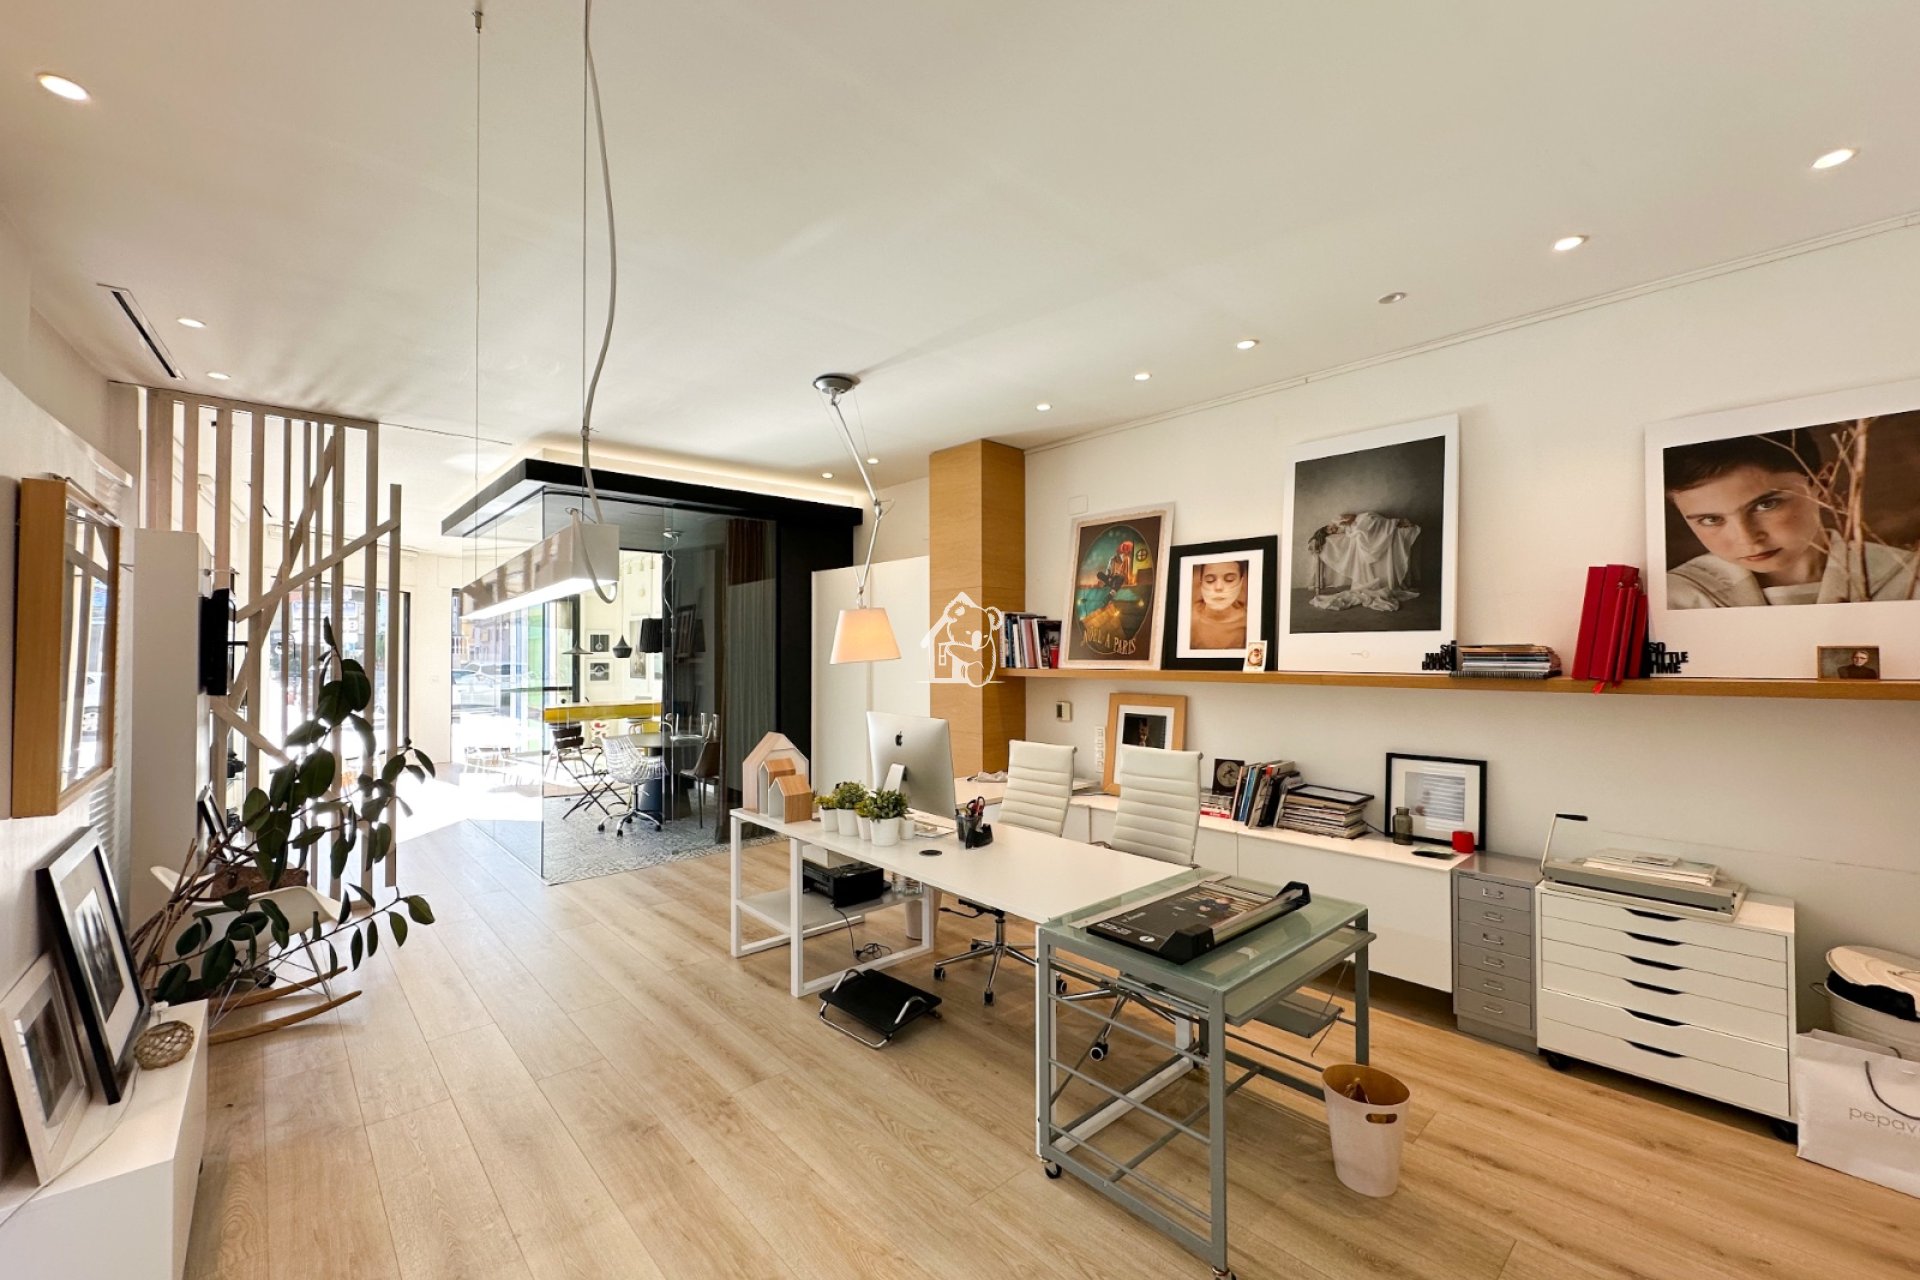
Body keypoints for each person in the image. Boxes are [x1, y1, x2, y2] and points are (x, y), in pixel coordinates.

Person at [1664, 429, 1920, 608]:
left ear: (1822, 483)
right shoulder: (1677, 596)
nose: (1747, 539)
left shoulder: (1907, 576)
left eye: (1765, 505)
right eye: (1710, 519)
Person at [1188, 560, 1249, 650]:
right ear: (1201, 583)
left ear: (1241, 581)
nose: (1218, 587)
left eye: (1229, 579)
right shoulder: (1188, 620)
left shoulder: (1249, 622)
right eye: (1209, 580)